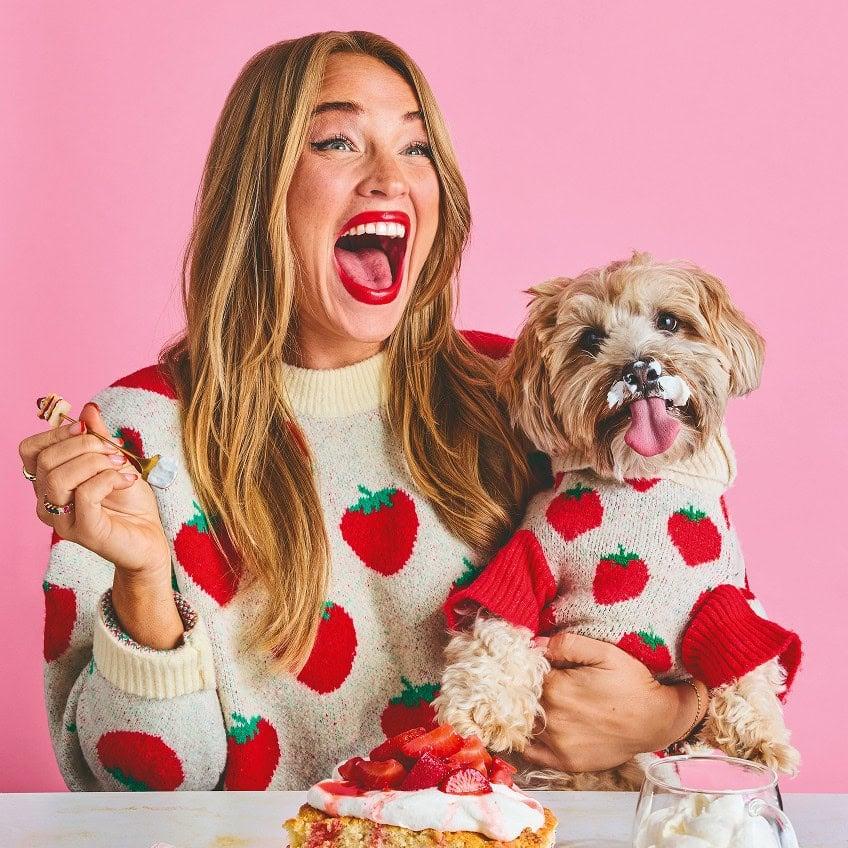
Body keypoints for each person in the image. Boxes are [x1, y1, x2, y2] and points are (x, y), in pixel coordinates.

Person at [19, 31, 711, 791]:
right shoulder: (134, 437)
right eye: (339, 141)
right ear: (260, 189)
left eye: (415, 149)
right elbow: (143, 793)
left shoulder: (530, 391)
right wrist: (146, 582)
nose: (389, 178)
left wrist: (674, 716)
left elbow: (701, 594)